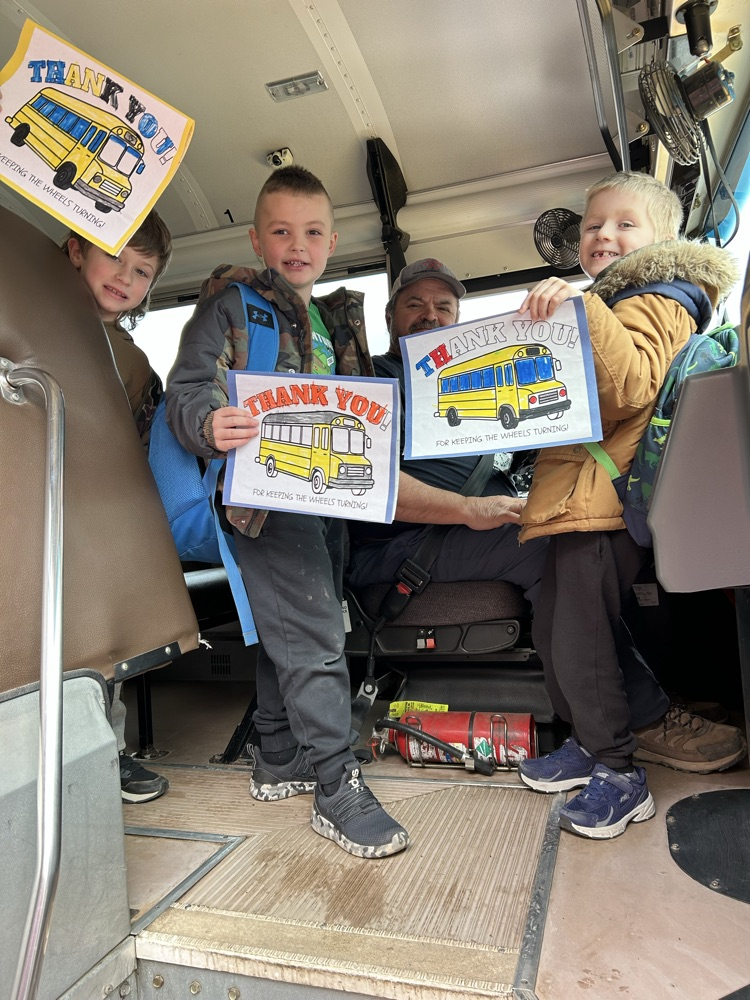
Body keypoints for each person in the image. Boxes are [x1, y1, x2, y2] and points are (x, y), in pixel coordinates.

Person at [346, 256, 745, 774]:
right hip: (401, 546)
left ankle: (628, 702)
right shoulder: (376, 381)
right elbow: (368, 483)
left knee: (593, 537)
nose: (430, 316)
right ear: (389, 317)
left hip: (465, 528)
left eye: (444, 307)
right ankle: (641, 720)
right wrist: (471, 509)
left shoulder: (474, 380)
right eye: (414, 305)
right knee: (555, 551)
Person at [165, 165, 408, 858]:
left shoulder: (335, 323)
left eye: (310, 232)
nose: (295, 245)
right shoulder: (233, 308)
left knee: (295, 628)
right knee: (313, 639)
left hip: (327, 503)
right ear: (256, 239)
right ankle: (337, 787)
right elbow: (189, 389)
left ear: (331, 243)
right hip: (262, 502)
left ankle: (277, 754)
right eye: (280, 232)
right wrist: (211, 423)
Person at [515, 170, 745, 838]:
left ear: (663, 241)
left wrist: (579, 311)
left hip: (606, 496)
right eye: (592, 226)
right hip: (575, 497)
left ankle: (621, 771)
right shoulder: (616, 300)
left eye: (624, 224)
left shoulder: (658, 297)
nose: (604, 235)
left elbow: (630, 386)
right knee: (555, 624)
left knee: (584, 637)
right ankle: (588, 746)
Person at [63, 209, 173, 804]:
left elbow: (140, 447)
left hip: (97, 511)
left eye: (143, 271)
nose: (125, 278)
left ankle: (108, 752)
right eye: (116, 257)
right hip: (30, 497)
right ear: (78, 247)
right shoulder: (25, 315)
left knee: (102, 641)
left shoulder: (134, 365)